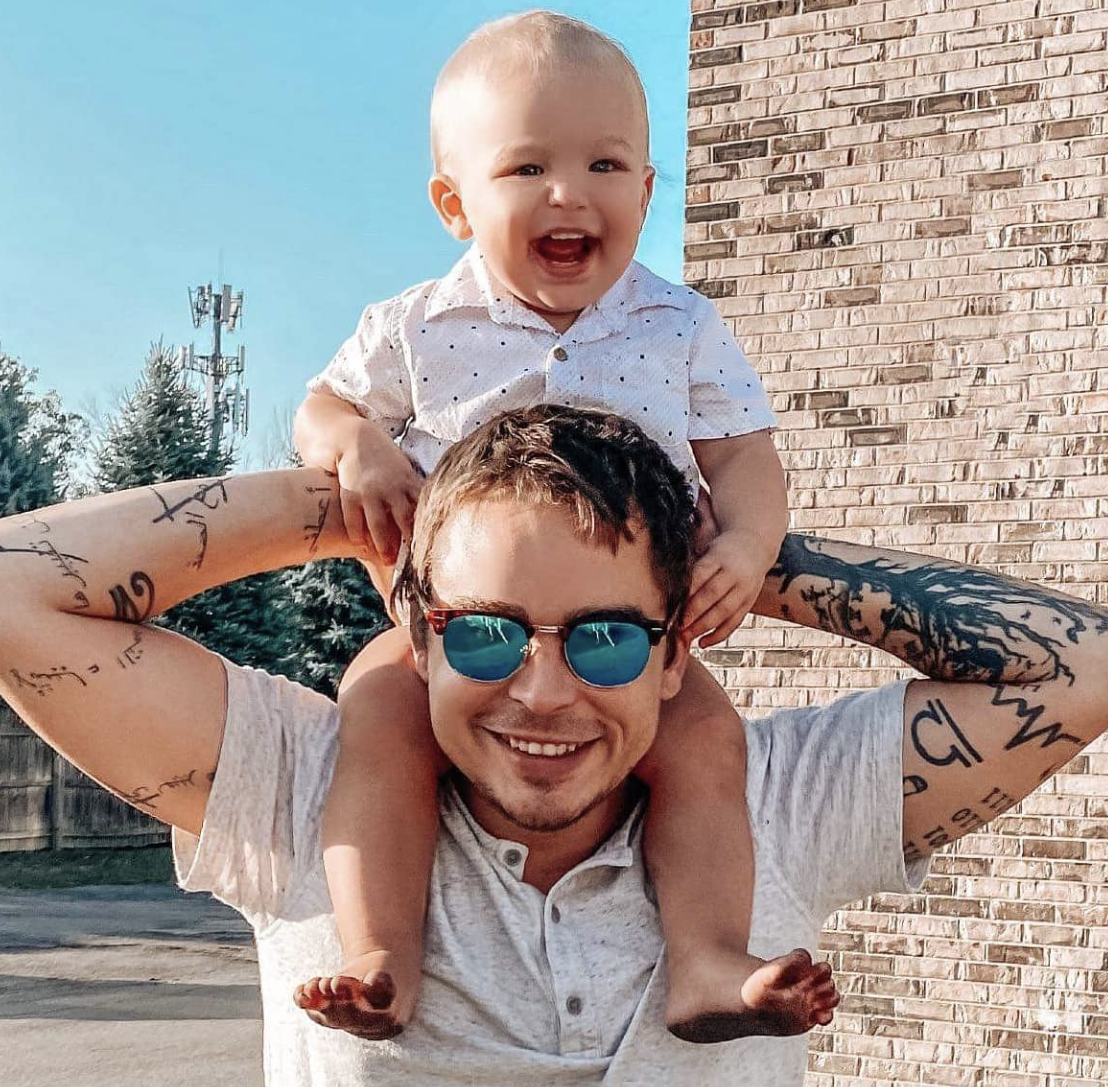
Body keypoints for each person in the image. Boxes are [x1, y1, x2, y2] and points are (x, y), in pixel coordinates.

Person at [3, 404, 1106, 1087]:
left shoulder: (775, 802)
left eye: (609, 636)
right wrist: (359, 511)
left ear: (677, 652)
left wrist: (741, 554)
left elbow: (1086, 662)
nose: (542, 692)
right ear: (420, 635)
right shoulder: (302, 788)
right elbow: (15, 591)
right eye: (484, 631)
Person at [293, 9, 794, 1043]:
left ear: (645, 193)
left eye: (605, 164)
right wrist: (358, 446)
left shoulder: (681, 324)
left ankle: (706, 958)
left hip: (620, 639)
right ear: (453, 202)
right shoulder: (417, 325)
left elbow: (745, 456)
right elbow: (320, 409)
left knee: (707, 741)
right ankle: (381, 954)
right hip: (456, 632)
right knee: (377, 720)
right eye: (527, 167)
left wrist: (747, 544)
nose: (570, 192)